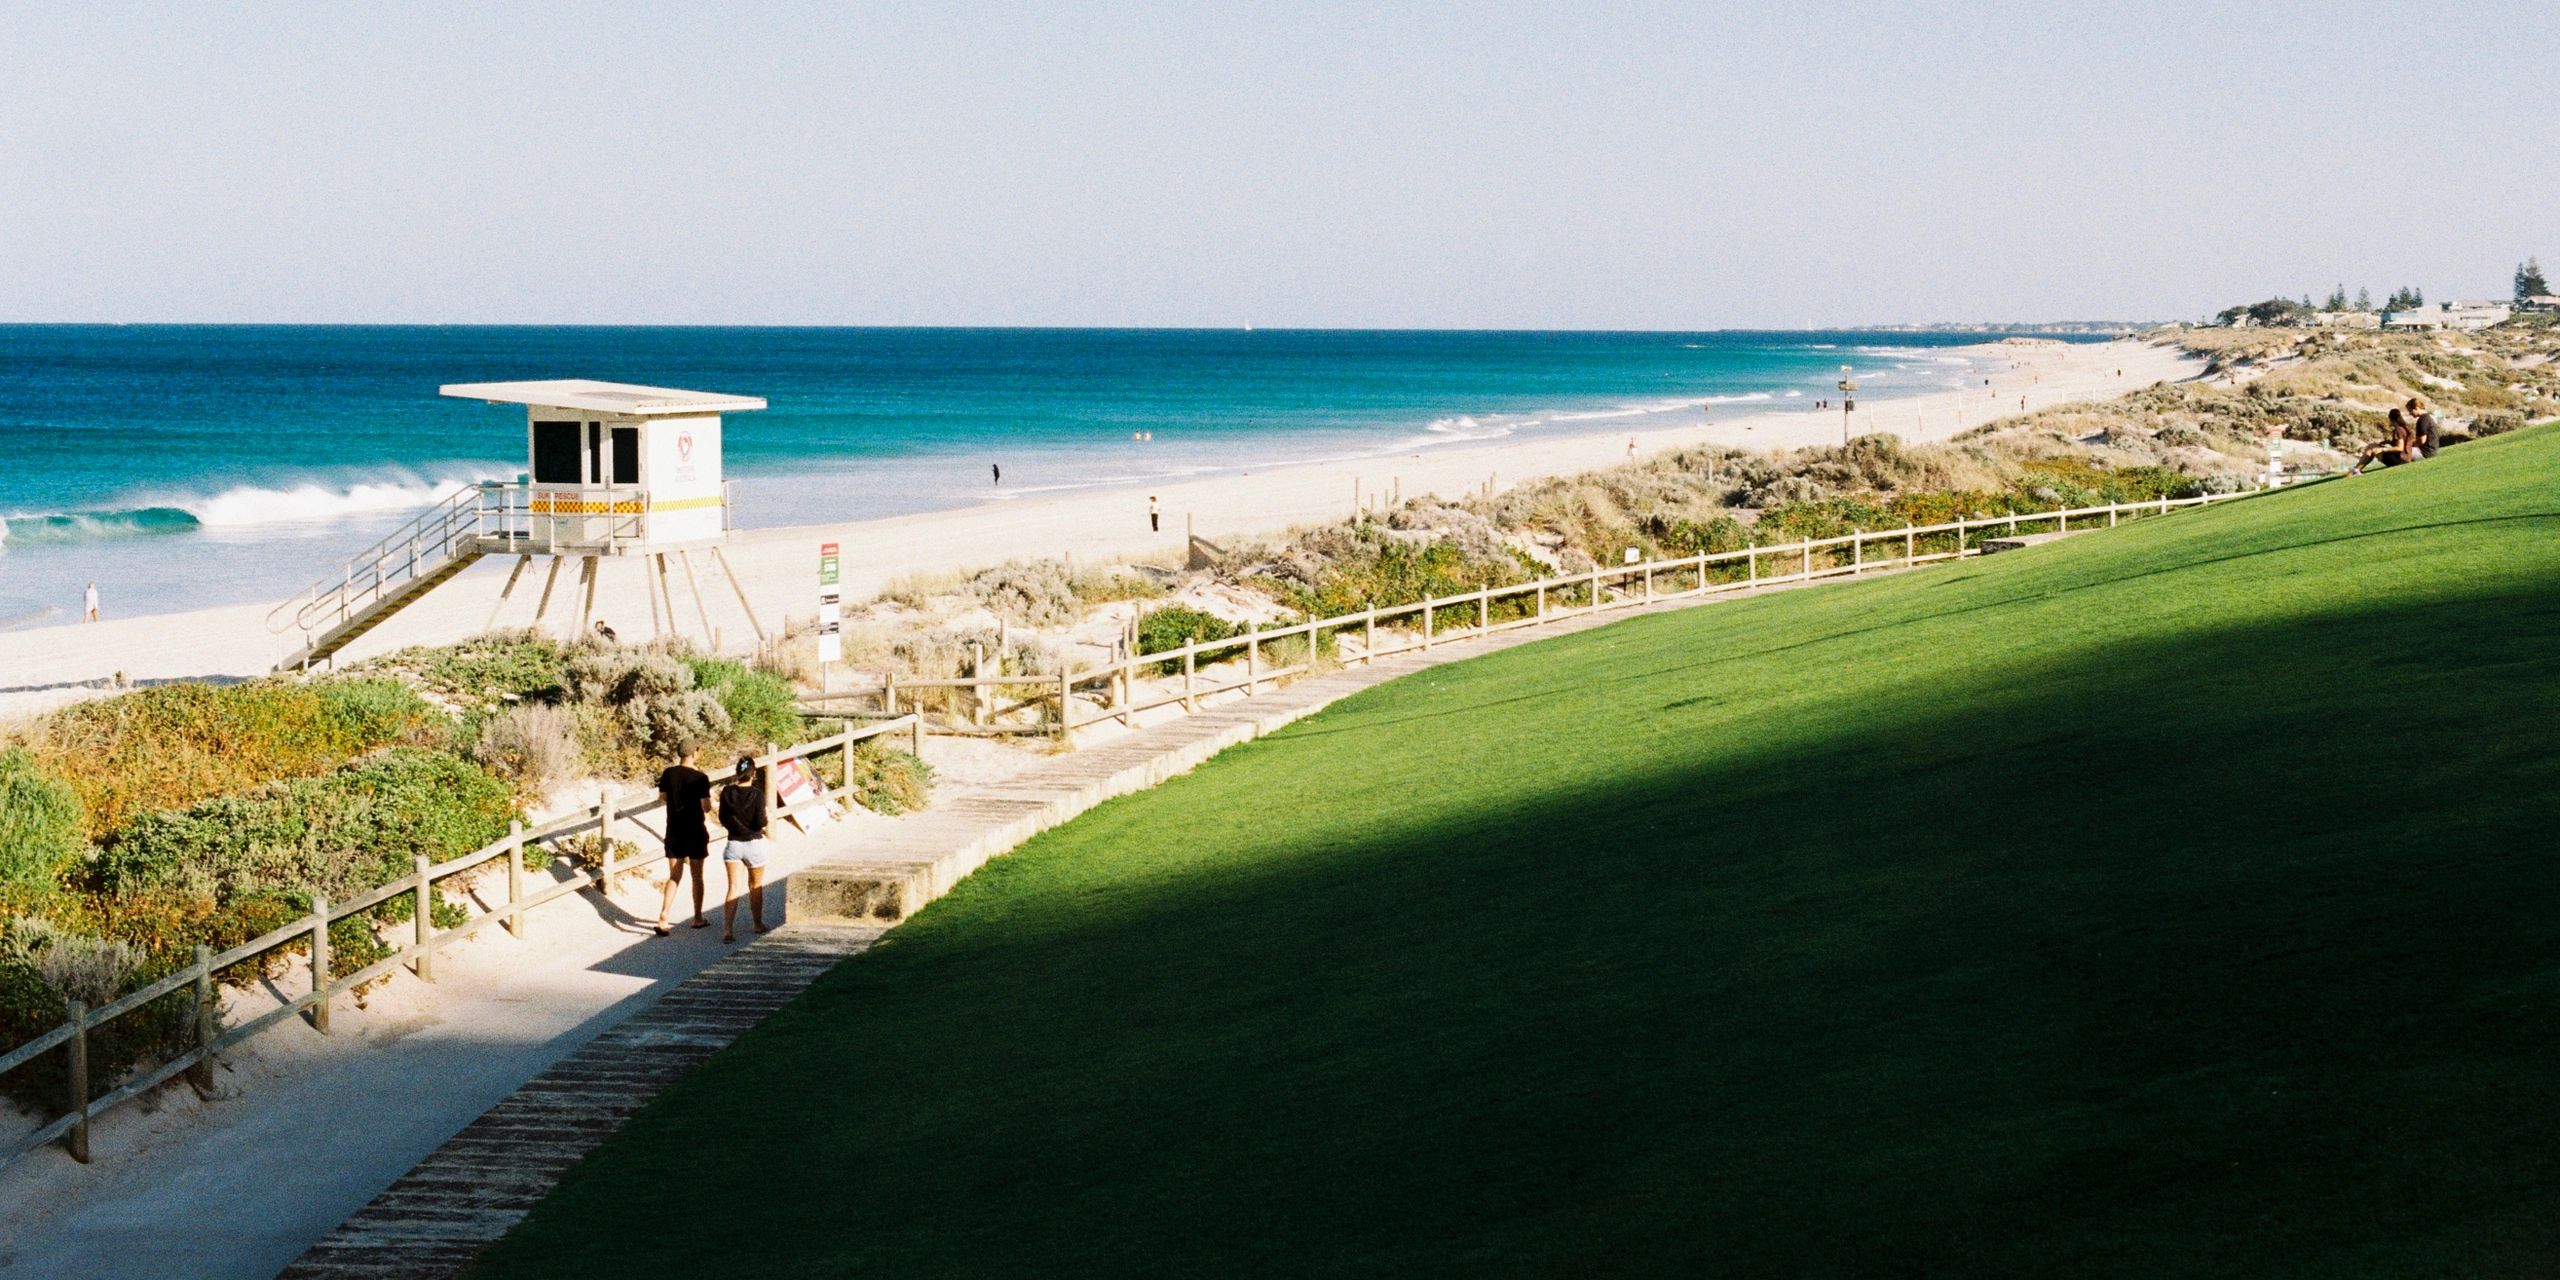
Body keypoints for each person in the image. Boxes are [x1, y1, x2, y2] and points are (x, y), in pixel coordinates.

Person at [653, 745, 714, 935]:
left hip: (674, 830)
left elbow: (662, 796)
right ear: (695, 752)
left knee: (674, 876)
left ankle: (664, 914)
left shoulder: (668, 773)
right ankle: (697, 917)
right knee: (697, 876)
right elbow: (706, 807)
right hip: (695, 830)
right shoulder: (700, 778)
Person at [717, 756, 772, 942]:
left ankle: (727, 929)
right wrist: (767, 818)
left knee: (733, 887)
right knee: (755, 885)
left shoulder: (726, 792)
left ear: (737, 773)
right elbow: (760, 822)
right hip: (754, 843)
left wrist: (734, 828)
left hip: (733, 844)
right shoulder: (757, 794)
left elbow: (722, 818)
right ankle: (757, 923)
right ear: (753, 774)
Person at [2346, 409, 2416, 475]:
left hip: (2400, 461)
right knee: (2372, 446)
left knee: (2373, 449)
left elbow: (2400, 448)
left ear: (2391, 419)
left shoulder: (2398, 430)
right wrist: (2389, 442)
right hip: (2405, 459)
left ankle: (2356, 470)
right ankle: (2356, 469)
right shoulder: (2405, 428)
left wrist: (2383, 449)